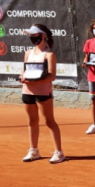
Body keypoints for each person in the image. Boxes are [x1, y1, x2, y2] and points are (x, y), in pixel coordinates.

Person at [20, 24, 64, 164]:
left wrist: (37, 80)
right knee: (32, 121)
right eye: (31, 35)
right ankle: (33, 150)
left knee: (49, 121)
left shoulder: (49, 54)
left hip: (43, 91)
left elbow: (52, 76)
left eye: (35, 35)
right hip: (27, 91)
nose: (32, 37)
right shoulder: (28, 53)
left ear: (43, 36)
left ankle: (59, 152)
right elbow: (24, 70)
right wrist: (22, 77)